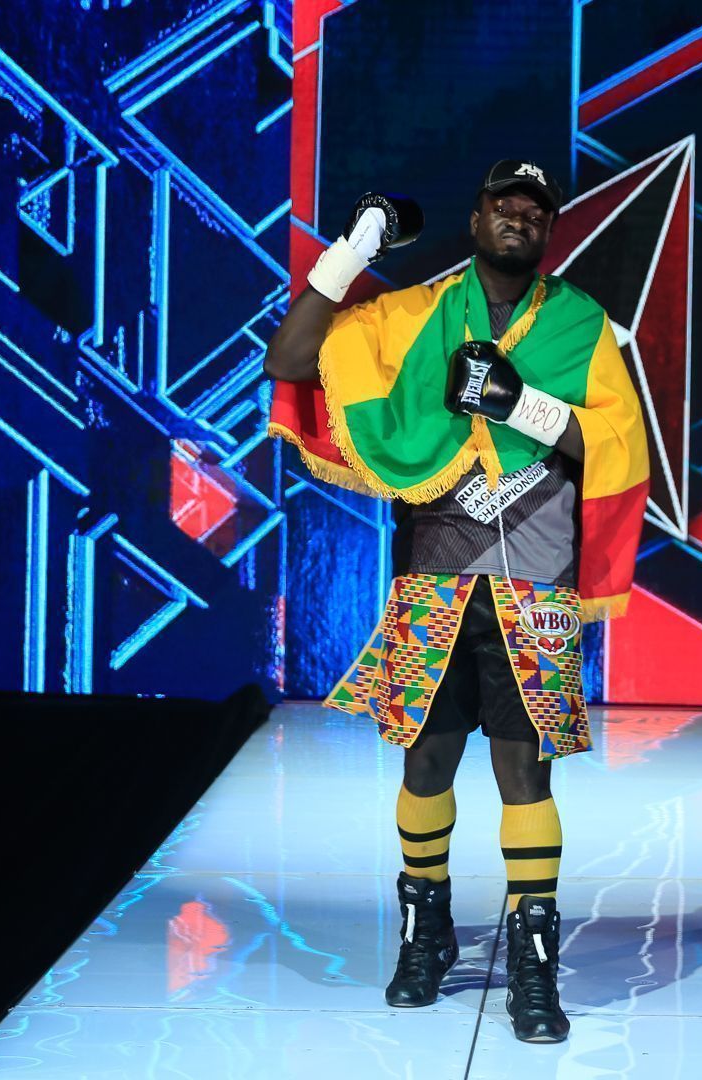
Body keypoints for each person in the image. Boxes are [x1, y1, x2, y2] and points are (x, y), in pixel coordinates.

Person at [264, 159, 649, 1043]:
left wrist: (523, 404)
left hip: (535, 582)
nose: (519, 216)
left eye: (535, 210)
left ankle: (533, 961)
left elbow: (619, 442)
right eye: (503, 204)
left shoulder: (581, 323)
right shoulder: (411, 314)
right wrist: (356, 247)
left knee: (526, 771)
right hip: (433, 579)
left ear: (549, 230)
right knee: (426, 764)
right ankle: (425, 931)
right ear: (475, 221)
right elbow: (290, 359)